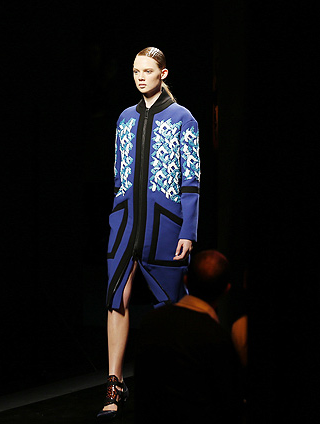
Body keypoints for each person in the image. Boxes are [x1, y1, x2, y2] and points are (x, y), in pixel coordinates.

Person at [97, 47, 200, 421]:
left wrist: (188, 229)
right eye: (136, 71)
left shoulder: (183, 118)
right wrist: (116, 216)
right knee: (116, 297)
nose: (141, 77)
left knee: (171, 306)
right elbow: (118, 173)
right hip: (125, 221)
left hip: (165, 222)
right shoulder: (125, 118)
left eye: (148, 71)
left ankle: (179, 382)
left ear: (163, 74)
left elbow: (191, 178)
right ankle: (114, 383)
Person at [133, 250, 244, 423]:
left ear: (185, 280)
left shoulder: (150, 322)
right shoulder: (218, 338)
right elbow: (227, 403)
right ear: (226, 290)